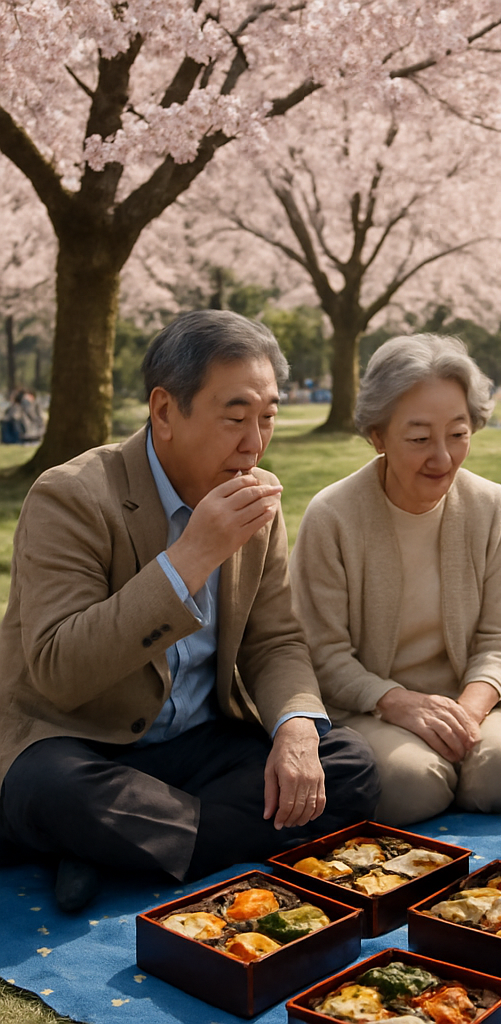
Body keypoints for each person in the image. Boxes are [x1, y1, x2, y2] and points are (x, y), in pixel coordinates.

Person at [0, 310, 380, 913]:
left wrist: (296, 729)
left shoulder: (257, 497)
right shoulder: (70, 496)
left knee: (347, 764)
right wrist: (189, 559)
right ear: (164, 411)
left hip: (199, 743)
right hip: (84, 742)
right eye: (235, 418)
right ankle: (116, 833)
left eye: (267, 418)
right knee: (50, 792)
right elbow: (58, 669)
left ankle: (111, 846)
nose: (254, 443)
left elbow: (274, 641)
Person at [290, 333, 501, 826]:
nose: (443, 458)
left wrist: (467, 714)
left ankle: (467, 762)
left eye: (458, 434)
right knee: (409, 786)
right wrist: (397, 703)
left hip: (472, 695)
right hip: (370, 703)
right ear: (377, 436)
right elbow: (320, 652)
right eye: (418, 439)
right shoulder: (333, 515)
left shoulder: (489, 503)